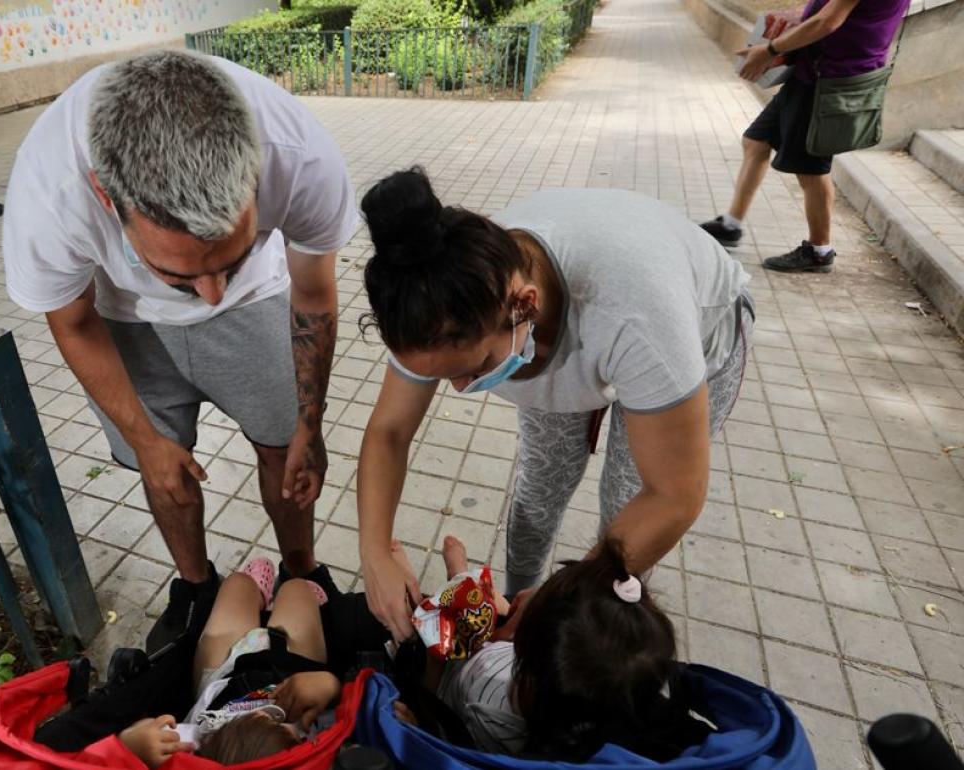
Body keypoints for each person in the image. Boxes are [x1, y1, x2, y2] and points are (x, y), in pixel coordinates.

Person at [1, 49, 359, 650]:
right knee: (165, 467)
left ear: (257, 173)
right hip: (124, 318)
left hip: (261, 303)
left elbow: (315, 292)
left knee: (286, 451)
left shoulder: (298, 153)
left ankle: (302, 573)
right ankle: (195, 587)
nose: (211, 294)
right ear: (105, 195)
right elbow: (74, 321)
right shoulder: (51, 190)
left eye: (231, 257)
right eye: (180, 272)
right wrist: (145, 441)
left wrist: (309, 422)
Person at [354, 167, 753, 641]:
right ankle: (515, 600)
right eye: (441, 375)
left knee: (625, 504)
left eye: (474, 369)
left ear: (525, 304)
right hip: (581, 321)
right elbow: (389, 431)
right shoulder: (439, 293)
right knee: (541, 486)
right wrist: (374, 553)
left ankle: (591, 623)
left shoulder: (636, 320)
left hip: (688, 330)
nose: (459, 389)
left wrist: (563, 599)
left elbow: (672, 496)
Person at [393, 536, 713, 761]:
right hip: (503, 654)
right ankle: (469, 589)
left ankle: (441, 586)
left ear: (526, 681)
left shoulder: (490, 715)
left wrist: (429, 694)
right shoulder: (610, 689)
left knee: (426, 628)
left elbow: (447, 724)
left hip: (454, 676)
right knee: (489, 608)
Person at [701, 0, 911, 273]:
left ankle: (818, 250)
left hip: (829, 81)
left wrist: (770, 50)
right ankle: (731, 225)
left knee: (811, 168)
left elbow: (827, 22)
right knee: (756, 141)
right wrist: (798, 14)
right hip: (809, 74)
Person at [118, 559, 346, 767]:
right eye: (285, 727)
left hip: (226, 677)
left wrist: (134, 745)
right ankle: (304, 607)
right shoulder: (312, 742)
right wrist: (330, 686)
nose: (278, 720)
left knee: (238, 584)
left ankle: (259, 597)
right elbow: (343, 712)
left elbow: (135, 743)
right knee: (297, 588)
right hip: (293, 670)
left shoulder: (196, 747)